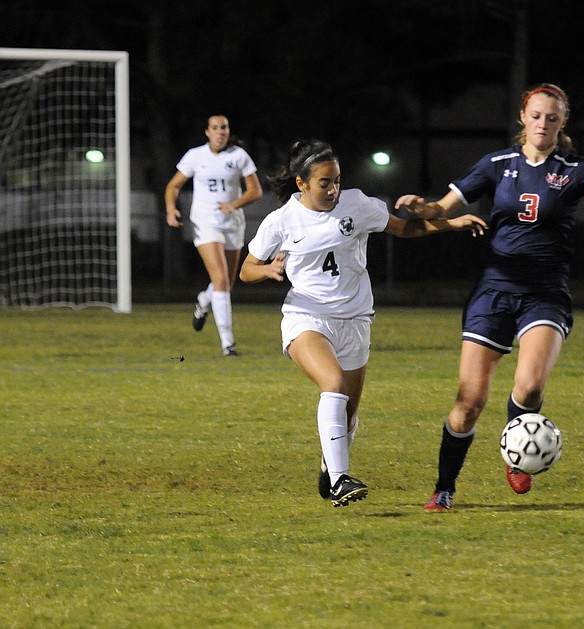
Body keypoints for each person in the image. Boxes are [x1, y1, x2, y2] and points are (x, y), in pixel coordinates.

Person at [395, 83, 584, 512]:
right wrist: (423, 209)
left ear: (563, 123)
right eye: (536, 116)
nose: (543, 124)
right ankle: (444, 488)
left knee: (530, 386)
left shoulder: (577, 169)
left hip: (545, 293)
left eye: (552, 118)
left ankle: (519, 451)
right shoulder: (497, 164)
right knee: (468, 404)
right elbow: (442, 207)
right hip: (493, 291)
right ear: (523, 117)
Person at [239, 139, 487, 507]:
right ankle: (340, 480)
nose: (333, 189)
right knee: (333, 384)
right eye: (324, 182)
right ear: (301, 184)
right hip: (307, 317)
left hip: (355, 320)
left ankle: (330, 463)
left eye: (336, 180)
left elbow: (404, 229)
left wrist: (450, 224)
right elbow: (245, 270)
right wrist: (269, 269)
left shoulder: (357, 204)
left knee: (349, 411)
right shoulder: (281, 221)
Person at [165, 114, 263, 356]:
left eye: (224, 128)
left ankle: (204, 301)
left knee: (227, 284)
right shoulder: (195, 156)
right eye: (215, 128)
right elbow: (173, 185)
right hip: (205, 222)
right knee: (220, 279)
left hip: (232, 222)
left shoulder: (238, 156)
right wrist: (170, 208)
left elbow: (256, 191)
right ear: (207, 132)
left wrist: (234, 204)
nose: (220, 132)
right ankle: (228, 344)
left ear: (228, 132)